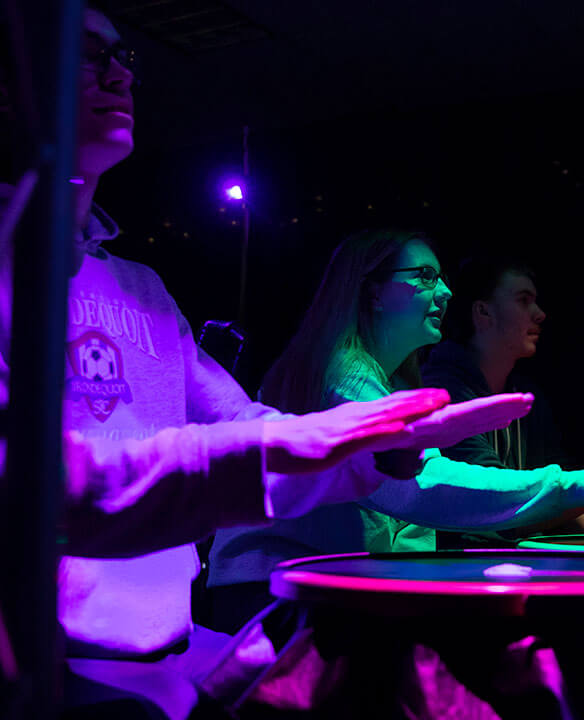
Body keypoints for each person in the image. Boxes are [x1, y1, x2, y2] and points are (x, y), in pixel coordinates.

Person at [0, 8, 537, 718]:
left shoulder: (142, 288)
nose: (119, 75)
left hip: (165, 656)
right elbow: (47, 483)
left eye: (124, 57)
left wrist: (378, 453)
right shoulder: (13, 267)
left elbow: (244, 423)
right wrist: (563, 487)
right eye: (87, 54)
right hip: (52, 671)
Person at [206, 229, 584, 629]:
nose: (445, 291)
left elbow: (408, 523)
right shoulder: (343, 374)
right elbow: (417, 487)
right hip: (273, 595)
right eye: (425, 276)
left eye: (442, 277)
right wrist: (579, 486)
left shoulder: (382, 378)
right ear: (373, 291)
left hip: (302, 586)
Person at [421, 253, 584, 543]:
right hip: (460, 566)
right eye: (523, 300)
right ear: (483, 312)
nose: (539, 314)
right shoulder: (441, 391)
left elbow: (562, 478)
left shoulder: (524, 393)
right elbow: (501, 502)